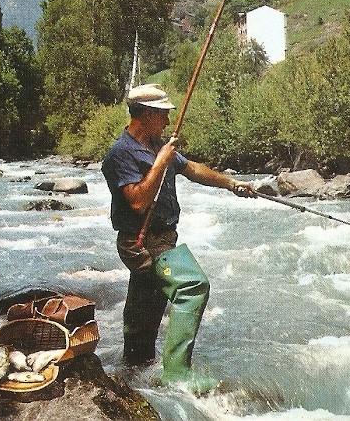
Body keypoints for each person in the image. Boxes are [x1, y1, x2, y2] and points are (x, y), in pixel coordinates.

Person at [101, 83, 254, 388]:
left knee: (146, 310)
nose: (168, 122)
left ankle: (134, 372)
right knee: (192, 286)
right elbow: (138, 200)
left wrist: (231, 184)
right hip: (142, 242)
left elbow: (193, 169)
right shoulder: (120, 154)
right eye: (163, 115)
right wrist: (160, 162)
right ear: (145, 114)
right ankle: (177, 374)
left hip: (164, 237)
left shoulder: (159, 145)